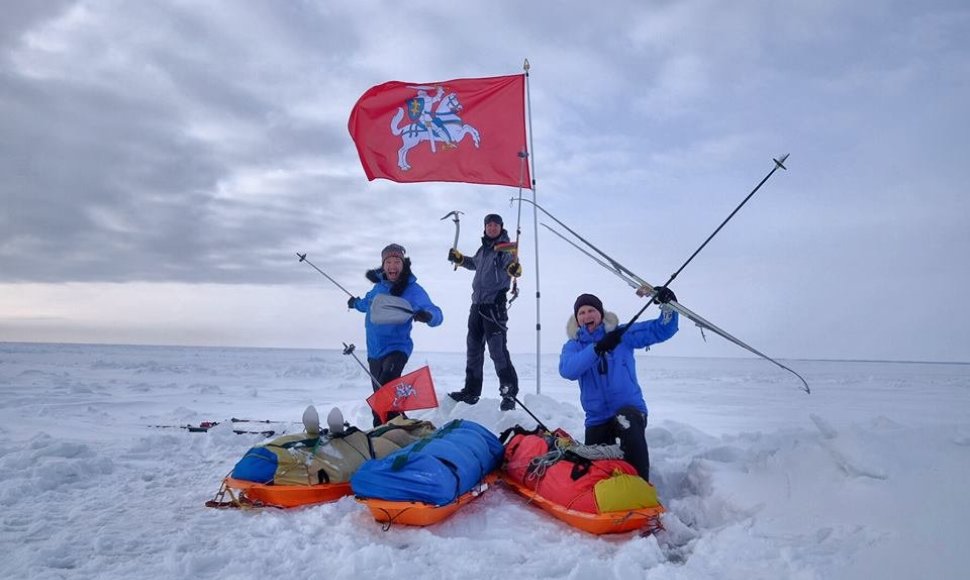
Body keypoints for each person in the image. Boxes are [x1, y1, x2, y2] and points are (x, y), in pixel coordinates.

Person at [558, 290, 679, 482]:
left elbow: (660, 330)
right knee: (597, 470)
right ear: (577, 319)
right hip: (597, 418)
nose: (587, 315)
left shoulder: (621, 335)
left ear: (601, 314)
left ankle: (640, 485)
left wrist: (668, 306)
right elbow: (567, 370)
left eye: (591, 310)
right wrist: (597, 348)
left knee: (628, 424)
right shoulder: (574, 346)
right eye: (581, 312)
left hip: (630, 410)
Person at [348, 243, 443, 427]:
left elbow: (437, 314)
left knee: (384, 391)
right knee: (383, 396)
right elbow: (366, 304)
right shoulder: (378, 289)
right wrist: (354, 303)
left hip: (397, 348)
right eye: (389, 262)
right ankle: (400, 426)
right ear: (383, 265)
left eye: (397, 261)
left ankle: (380, 430)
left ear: (403, 264)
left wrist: (428, 316)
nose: (393, 266)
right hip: (374, 350)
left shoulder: (412, 290)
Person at [446, 213, 522, 410]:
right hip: (477, 306)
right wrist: (460, 259)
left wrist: (515, 270)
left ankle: (509, 394)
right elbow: (474, 264)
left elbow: (513, 267)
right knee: (473, 350)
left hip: (494, 307)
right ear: (485, 228)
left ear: (501, 227)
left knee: (497, 351)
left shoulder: (506, 248)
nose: (492, 228)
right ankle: (471, 392)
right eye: (489, 225)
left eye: (496, 225)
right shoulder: (483, 250)